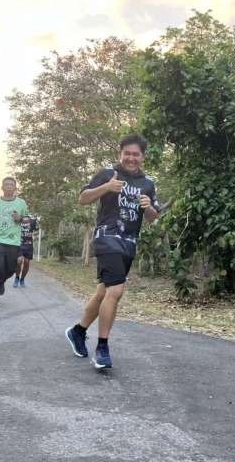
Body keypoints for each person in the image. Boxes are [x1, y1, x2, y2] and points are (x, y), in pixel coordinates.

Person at [65, 134, 159, 369]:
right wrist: (107, 187)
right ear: (120, 154)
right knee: (116, 290)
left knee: (103, 293)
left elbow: (152, 217)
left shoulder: (148, 183)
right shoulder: (108, 173)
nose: (131, 158)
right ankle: (102, 348)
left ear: (143, 157)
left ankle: (78, 331)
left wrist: (148, 207)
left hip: (129, 243)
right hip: (107, 238)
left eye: (136, 154)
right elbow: (83, 198)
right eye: (127, 153)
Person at [0, 177, 30, 308]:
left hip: (13, 241)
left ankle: (0, 283)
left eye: (11, 185)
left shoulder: (21, 203)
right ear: (2, 187)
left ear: (15, 188)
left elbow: (27, 218)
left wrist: (20, 218)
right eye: (6, 184)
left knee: (11, 268)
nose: (9, 186)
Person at [14, 213, 39, 288]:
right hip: (18, 244)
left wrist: (32, 234)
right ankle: (17, 277)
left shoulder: (33, 221)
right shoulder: (17, 220)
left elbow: (37, 231)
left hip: (28, 245)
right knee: (19, 261)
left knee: (26, 263)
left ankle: (22, 279)